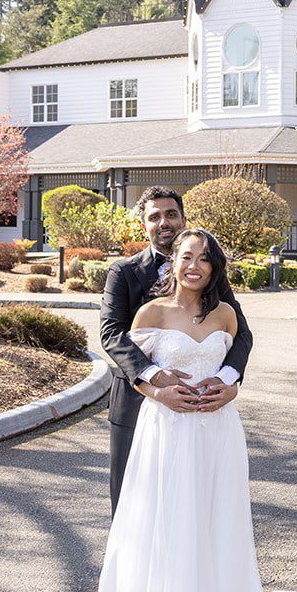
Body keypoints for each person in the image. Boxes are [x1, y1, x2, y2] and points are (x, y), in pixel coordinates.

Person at [92, 228, 297, 592]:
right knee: (167, 520)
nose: (194, 266)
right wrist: (157, 391)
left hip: (217, 432)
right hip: (166, 431)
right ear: (173, 262)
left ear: (215, 266)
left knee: (214, 521)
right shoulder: (151, 312)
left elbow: (237, 354)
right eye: (186, 257)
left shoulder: (225, 314)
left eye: (203, 258)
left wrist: (231, 385)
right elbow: (127, 367)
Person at [98, 186, 252, 513]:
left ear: (183, 219)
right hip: (136, 406)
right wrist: (155, 377)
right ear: (144, 224)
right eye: (154, 217)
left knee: (198, 503)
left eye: (171, 214)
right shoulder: (123, 272)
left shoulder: (208, 271)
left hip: (202, 411)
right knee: (132, 505)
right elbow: (112, 334)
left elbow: (241, 334)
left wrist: (228, 380)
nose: (163, 222)